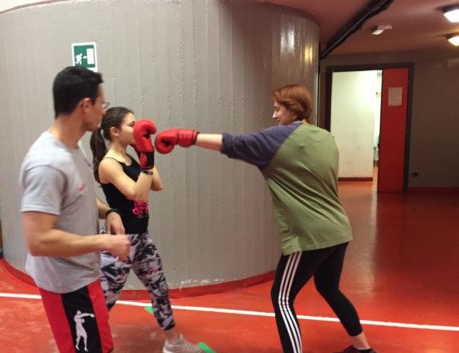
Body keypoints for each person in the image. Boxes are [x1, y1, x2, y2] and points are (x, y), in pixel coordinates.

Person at [154, 84, 377, 353]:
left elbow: (232, 143)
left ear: (293, 109)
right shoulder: (325, 137)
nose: (274, 115)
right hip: (339, 229)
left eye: (277, 109)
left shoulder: (278, 139)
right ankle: (363, 348)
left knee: (282, 298)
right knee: (329, 289)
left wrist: (185, 137)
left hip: (309, 234)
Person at [20, 66, 130, 353]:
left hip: (83, 276)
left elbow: (76, 199)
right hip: (65, 286)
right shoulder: (47, 163)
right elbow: (39, 240)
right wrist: (105, 241)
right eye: (101, 104)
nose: (103, 111)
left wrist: (109, 212)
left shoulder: (72, 148)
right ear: (85, 105)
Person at [89, 107, 203, 353]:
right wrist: (146, 163)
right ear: (115, 131)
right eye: (132, 125)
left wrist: (145, 151)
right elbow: (137, 194)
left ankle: (174, 343)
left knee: (159, 289)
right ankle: (86, 346)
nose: (138, 128)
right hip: (119, 242)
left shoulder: (132, 158)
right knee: (104, 300)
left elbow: (158, 184)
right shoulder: (109, 164)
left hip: (141, 238)